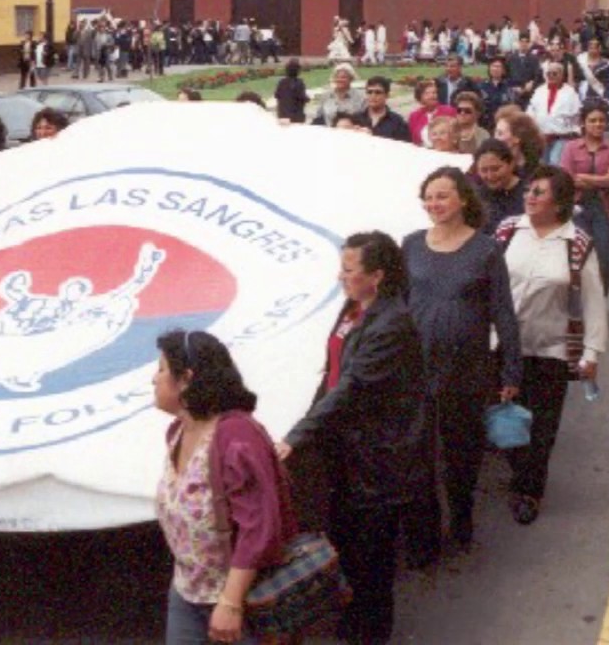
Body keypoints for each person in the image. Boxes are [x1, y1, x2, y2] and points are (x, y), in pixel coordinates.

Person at [276, 231, 424, 645]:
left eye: (348, 269)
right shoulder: (353, 309)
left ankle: (371, 632)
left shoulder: (391, 323)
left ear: (376, 276)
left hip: (377, 459)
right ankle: (351, 623)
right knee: (345, 544)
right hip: (344, 451)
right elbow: (332, 374)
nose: (340, 277)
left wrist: (298, 435)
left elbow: (353, 385)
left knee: (372, 556)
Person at [402, 167, 522, 562]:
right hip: (417, 369)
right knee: (418, 453)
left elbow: (503, 313)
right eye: (429, 196)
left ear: (463, 200)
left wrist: (510, 371)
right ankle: (425, 535)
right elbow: (399, 308)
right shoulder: (412, 245)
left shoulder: (486, 249)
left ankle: (462, 521)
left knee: (460, 453)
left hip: (466, 370)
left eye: (442, 195)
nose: (434, 203)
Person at [153, 329, 297, 645]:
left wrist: (230, 603)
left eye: (162, 369)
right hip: (187, 592)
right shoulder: (177, 432)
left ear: (186, 379)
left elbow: (259, 528)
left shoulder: (236, 438)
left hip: (241, 601)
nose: (154, 379)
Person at [494, 167, 608, 525]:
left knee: (541, 426)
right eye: (529, 191)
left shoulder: (577, 243)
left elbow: (594, 299)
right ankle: (518, 469)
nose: (529, 197)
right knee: (506, 418)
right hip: (504, 347)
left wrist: (592, 353)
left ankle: (530, 490)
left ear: (559, 204)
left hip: (551, 350)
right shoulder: (508, 230)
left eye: (539, 193)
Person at [560, 102, 609, 294]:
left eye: (601, 121)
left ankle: (600, 297)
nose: (597, 124)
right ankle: (579, 299)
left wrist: (584, 178)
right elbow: (567, 178)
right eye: (592, 120)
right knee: (578, 255)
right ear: (583, 123)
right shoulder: (571, 148)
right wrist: (599, 180)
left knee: (602, 255)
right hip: (578, 208)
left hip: (605, 208)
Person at [526, 62, 582, 165]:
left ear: (562, 75)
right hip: (542, 137)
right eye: (548, 73)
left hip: (562, 137)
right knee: (542, 164)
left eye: (554, 73)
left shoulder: (570, 93)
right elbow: (531, 112)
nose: (551, 76)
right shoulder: (539, 91)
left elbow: (577, 116)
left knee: (555, 162)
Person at [472, 138, 527, 235]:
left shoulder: (528, 193)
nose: (490, 176)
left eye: (495, 169)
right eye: (484, 170)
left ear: (511, 164)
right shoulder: (477, 197)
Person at [349, 77, 412, 143]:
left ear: (387, 95)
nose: (373, 95)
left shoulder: (398, 122)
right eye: (369, 92)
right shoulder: (355, 119)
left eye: (378, 92)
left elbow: (404, 148)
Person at [494, 110, 545, 178]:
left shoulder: (538, 172)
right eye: (495, 133)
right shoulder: (492, 166)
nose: (495, 138)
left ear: (517, 138)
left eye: (500, 134)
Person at [408, 81, 458, 148]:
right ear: (419, 97)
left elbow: (456, 136)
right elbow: (414, 141)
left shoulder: (449, 111)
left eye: (434, 93)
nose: (432, 96)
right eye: (427, 93)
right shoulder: (414, 116)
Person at [506, 33, 544, 109]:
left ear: (529, 44)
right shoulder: (511, 58)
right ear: (518, 43)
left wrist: (532, 82)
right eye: (522, 41)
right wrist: (513, 87)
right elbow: (507, 74)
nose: (524, 44)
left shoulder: (534, 59)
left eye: (526, 42)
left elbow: (538, 75)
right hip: (515, 92)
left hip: (529, 92)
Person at [478, 57, 515, 131]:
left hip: (503, 125)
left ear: (503, 70)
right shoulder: (481, 86)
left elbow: (511, 106)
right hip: (485, 125)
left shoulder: (508, 88)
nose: (495, 69)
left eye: (498, 66)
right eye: (493, 66)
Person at [576, 39, 609, 103]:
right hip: (582, 95)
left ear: (599, 49)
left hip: (599, 97)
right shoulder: (581, 60)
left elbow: (607, 82)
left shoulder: (605, 65)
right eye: (590, 48)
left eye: (594, 48)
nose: (592, 50)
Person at [273, 59, 309, 124]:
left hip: (282, 115)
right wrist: (307, 99)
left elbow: (276, 95)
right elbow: (301, 97)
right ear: (298, 71)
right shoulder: (299, 82)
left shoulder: (282, 82)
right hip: (296, 116)